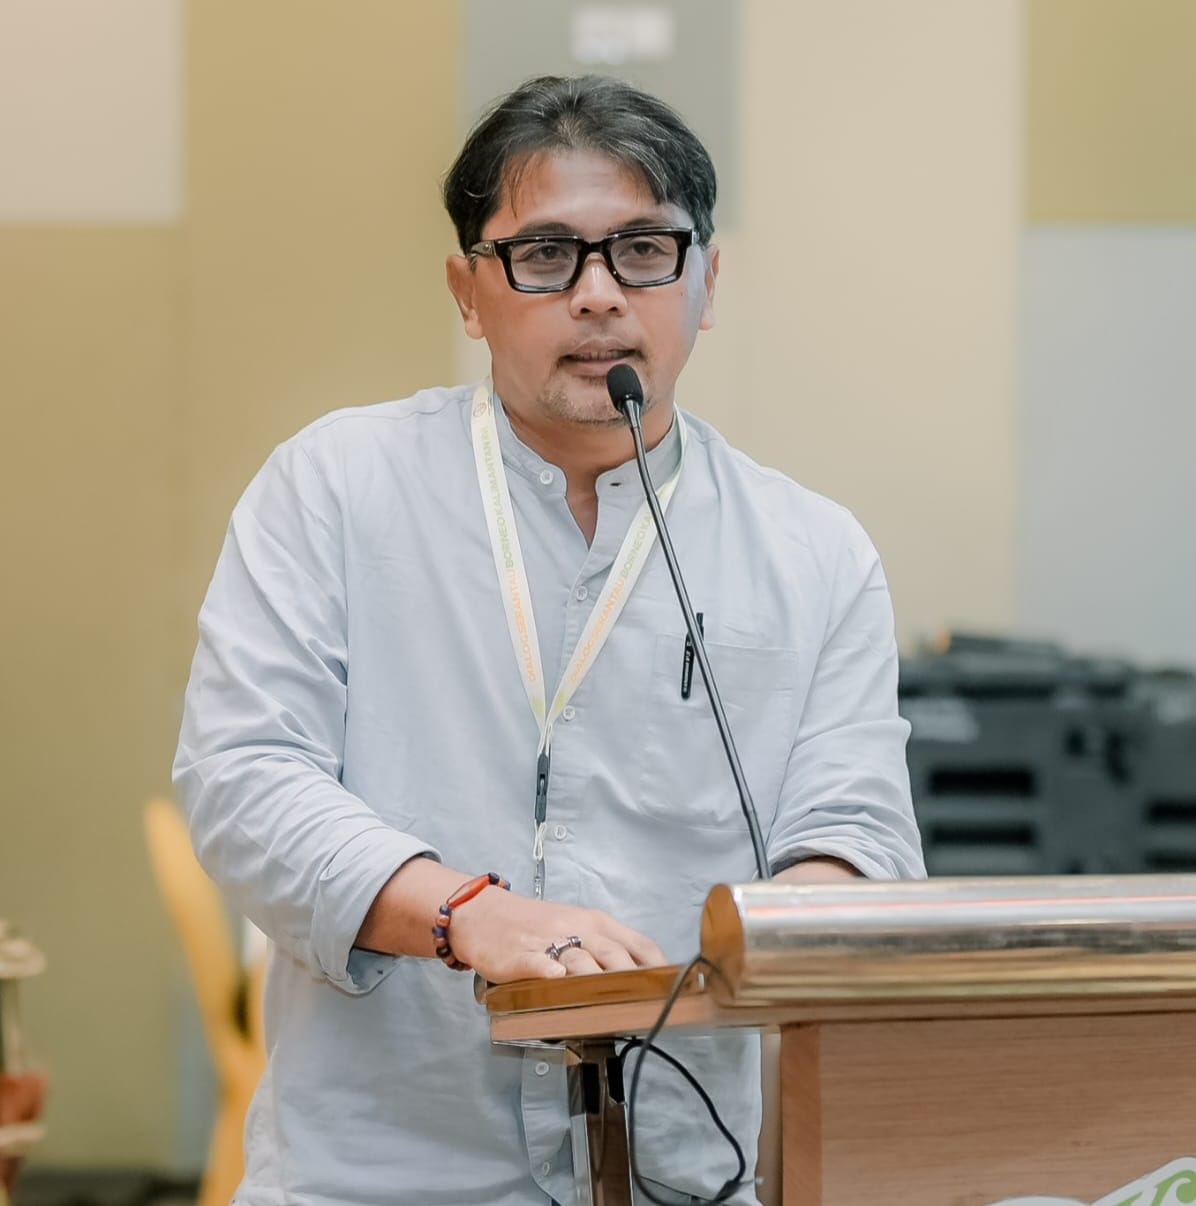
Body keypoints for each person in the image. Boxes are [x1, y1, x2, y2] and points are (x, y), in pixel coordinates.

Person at [174, 74, 924, 1205]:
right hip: (380, 1173)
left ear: (706, 284)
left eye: (644, 251)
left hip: (682, 1168)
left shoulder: (811, 551)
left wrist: (795, 917)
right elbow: (244, 780)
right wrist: (465, 913)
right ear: (468, 292)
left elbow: (857, 829)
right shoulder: (336, 490)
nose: (598, 296)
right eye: (545, 255)